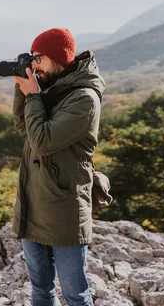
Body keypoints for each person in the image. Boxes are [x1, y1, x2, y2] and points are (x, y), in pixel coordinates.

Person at [12, 27, 105, 306]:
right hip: (33, 203)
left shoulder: (84, 98)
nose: (35, 64)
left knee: (75, 295)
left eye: (39, 58)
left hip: (64, 208)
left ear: (57, 58)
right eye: (32, 58)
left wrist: (33, 97)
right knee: (41, 291)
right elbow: (22, 125)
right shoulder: (51, 88)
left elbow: (42, 140)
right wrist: (23, 89)